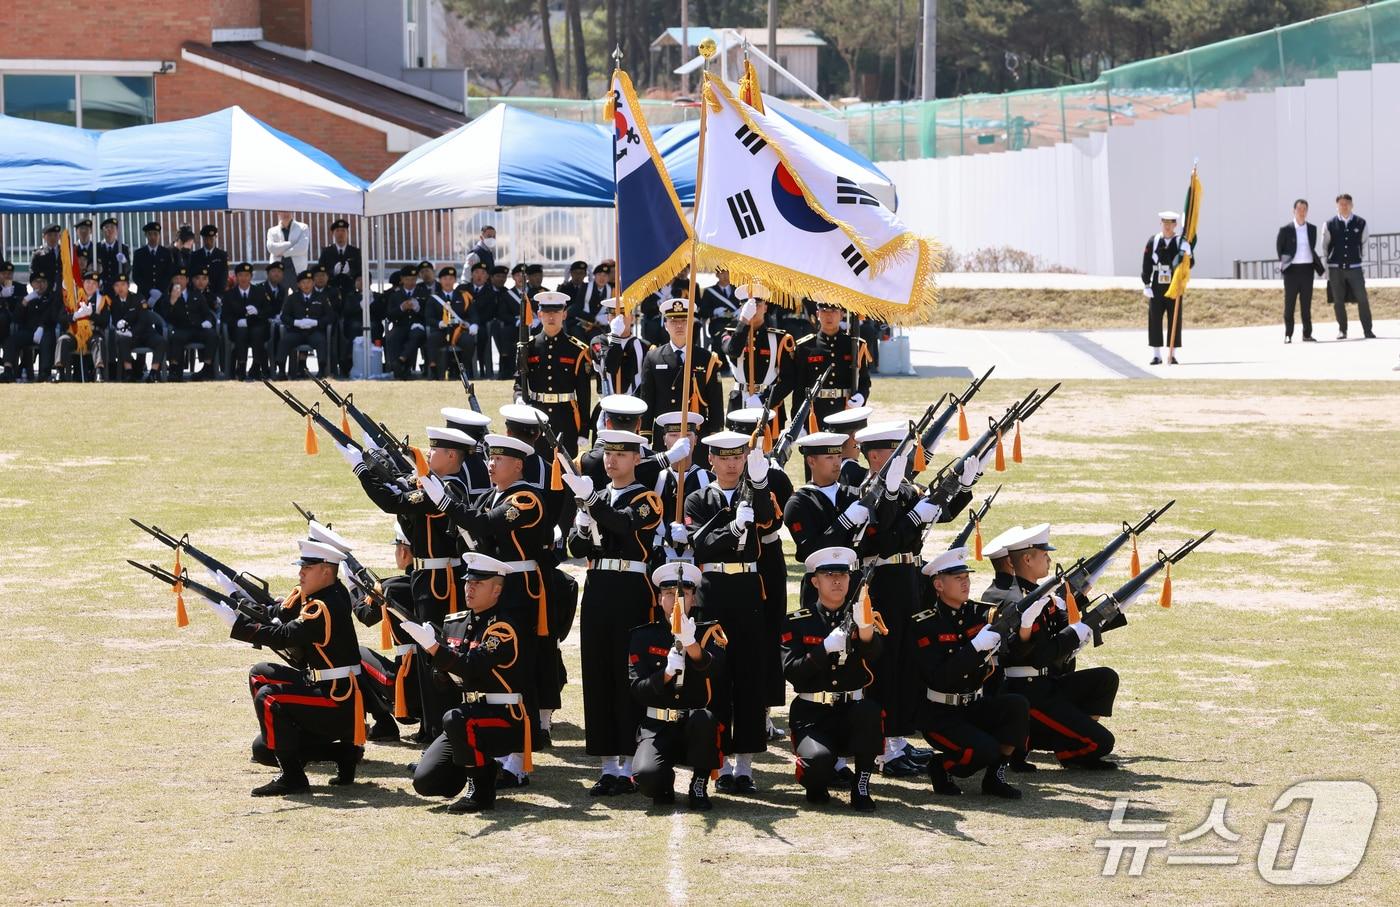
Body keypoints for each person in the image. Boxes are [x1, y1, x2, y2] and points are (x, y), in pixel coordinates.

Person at [419, 432, 554, 789]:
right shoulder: (496, 494)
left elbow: (485, 524)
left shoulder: (525, 498)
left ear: (519, 465)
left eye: (499, 460)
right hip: (497, 586)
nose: (490, 465)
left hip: (517, 591)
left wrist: (445, 501)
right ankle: (493, 747)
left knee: (518, 671)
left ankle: (517, 759)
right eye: (490, 459)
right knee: (489, 665)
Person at [339, 427, 474, 741]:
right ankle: (431, 729)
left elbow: (393, 502)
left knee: (435, 655)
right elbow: (406, 513)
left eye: (435, 450)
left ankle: (441, 733)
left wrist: (361, 469)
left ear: (452, 456)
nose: (428, 454)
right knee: (429, 657)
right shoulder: (437, 484)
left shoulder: (447, 488)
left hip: (440, 582)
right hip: (427, 576)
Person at [217, 536, 366, 797]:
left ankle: (293, 777)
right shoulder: (329, 592)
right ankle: (342, 753)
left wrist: (237, 625)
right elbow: (277, 612)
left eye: (306, 568)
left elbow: (283, 635)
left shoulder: (321, 607)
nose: (300, 574)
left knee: (269, 701)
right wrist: (236, 598)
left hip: (336, 700)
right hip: (331, 688)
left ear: (326, 570)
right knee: (260, 675)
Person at [561, 429, 663, 795]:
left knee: (627, 672)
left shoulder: (647, 498)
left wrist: (592, 502)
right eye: (607, 452)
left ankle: (631, 761)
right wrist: (582, 522)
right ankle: (608, 765)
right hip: (598, 586)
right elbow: (573, 547)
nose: (612, 460)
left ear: (637, 459)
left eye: (622, 453)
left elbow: (624, 523)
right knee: (598, 669)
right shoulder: (598, 496)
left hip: (630, 589)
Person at [401, 553, 532, 813]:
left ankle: (481, 792)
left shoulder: (502, 629)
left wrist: (433, 648)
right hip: (470, 717)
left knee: (455, 718)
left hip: (503, 717)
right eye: (468, 582)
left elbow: (472, 667)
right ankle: (477, 770)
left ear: (496, 590)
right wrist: (435, 660)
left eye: (478, 584)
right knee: (427, 783)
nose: (469, 587)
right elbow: (445, 681)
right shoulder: (457, 623)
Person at [684, 431, 775, 793]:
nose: (731, 463)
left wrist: (761, 480)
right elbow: (700, 543)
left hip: (748, 588)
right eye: (724, 458)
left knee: (749, 676)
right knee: (715, 675)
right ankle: (718, 763)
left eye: (737, 457)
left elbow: (769, 521)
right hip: (713, 590)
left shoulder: (752, 490)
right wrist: (732, 528)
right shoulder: (698, 498)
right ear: (711, 461)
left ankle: (746, 765)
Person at [992, 523, 1119, 770]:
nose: (1049, 559)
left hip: (1048, 683)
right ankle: (1066, 750)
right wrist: (1076, 633)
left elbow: (1062, 635)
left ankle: (1068, 735)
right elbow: (1041, 655)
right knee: (1102, 743)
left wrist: (1095, 616)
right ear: (1027, 559)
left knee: (1104, 678)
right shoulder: (1015, 602)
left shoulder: (1046, 596)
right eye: (1044, 555)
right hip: (1027, 691)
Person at [911, 547, 1028, 799]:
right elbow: (939, 677)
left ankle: (995, 777)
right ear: (939, 585)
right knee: (985, 750)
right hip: (940, 713)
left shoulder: (980, 613)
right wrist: (974, 648)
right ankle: (941, 766)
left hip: (973, 705)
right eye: (957, 578)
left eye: (966, 577)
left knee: (1016, 706)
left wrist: (1025, 620)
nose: (965, 582)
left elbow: (1010, 646)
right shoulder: (924, 624)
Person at [783, 546, 884, 811]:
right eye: (829, 575)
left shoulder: (863, 617)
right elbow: (792, 671)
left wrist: (864, 631)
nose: (837, 580)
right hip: (812, 713)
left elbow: (876, 657)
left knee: (870, 711)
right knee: (818, 764)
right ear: (815, 581)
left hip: (851, 710)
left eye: (842, 574)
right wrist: (823, 649)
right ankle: (815, 782)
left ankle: (861, 785)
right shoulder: (797, 622)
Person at [629, 562, 728, 810]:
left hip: (694, 724)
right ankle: (663, 781)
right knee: (647, 780)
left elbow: (716, 671)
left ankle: (699, 781)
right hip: (658, 724)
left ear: (694, 598)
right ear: (660, 597)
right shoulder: (643, 636)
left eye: (684, 594)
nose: (676, 600)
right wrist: (666, 673)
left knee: (705, 719)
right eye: (670, 593)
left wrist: (691, 643)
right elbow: (637, 689)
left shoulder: (709, 632)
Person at [347, 524, 418, 740]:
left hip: (406, 684)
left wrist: (352, 587)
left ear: (404, 551)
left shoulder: (393, 587)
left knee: (354, 655)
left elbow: (365, 615)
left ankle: (384, 723)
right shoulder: (430, 582)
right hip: (431, 682)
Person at [513, 290, 593, 457]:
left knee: (565, 469)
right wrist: (519, 397)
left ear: (564, 314)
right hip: (536, 415)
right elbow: (519, 383)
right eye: (547, 312)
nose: (551, 317)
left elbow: (584, 394)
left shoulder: (577, 349)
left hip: (565, 417)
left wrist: (584, 429)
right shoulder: (528, 347)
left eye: (556, 312)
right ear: (539, 314)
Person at [636, 297, 726, 439]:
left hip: (696, 434)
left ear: (691, 324)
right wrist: (645, 434)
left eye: (684, 321)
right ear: (665, 325)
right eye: (673, 321)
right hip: (665, 434)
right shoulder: (653, 357)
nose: (679, 326)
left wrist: (715, 434)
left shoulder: (707, 358)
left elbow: (715, 402)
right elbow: (648, 399)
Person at [787, 301, 872, 427]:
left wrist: (861, 396)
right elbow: (799, 389)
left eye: (834, 311)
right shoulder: (806, 347)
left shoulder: (854, 345)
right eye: (824, 311)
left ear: (842, 315)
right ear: (817, 314)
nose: (829, 316)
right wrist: (798, 424)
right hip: (816, 414)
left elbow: (864, 381)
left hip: (846, 412)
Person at [723, 283, 795, 419]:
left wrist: (764, 400)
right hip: (739, 404)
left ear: (766, 307)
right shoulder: (730, 334)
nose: (754, 309)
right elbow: (733, 351)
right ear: (742, 308)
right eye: (749, 305)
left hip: (770, 406)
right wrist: (743, 321)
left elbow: (788, 380)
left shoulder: (779, 339)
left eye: (758, 304)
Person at [1141, 210, 1191, 365]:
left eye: (1171, 223)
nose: (1168, 226)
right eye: (1165, 223)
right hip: (1157, 283)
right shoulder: (1154, 241)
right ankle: (1156, 355)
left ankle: (1172, 354)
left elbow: (1190, 264)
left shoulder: (1180, 242)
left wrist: (1188, 253)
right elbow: (1147, 263)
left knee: (1174, 319)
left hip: (1174, 283)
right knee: (1154, 318)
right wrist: (1147, 284)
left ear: (1175, 225)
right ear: (1161, 223)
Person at [1323, 193, 1375, 340]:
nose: (1344, 206)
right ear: (1337, 206)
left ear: (1352, 205)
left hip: (1355, 267)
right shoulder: (1329, 224)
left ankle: (1367, 330)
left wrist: (1359, 258)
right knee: (1338, 300)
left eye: (1346, 203)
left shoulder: (1361, 223)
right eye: (1341, 204)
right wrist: (1328, 262)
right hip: (1335, 267)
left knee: (1362, 298)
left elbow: (1365, 242)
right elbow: (1324, 245)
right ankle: (1342, 330)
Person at [1276, 199, 1325, 344]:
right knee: (1289, 304)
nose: (1302, 212)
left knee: (1306, 305)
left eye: (1304, 209)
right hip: (1292, 271)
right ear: (1294, 211)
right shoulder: (1285, 230)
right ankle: (1288, 334)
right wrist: (1286, 264)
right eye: (1299, 209)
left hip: (1307, 270)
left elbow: (1311, 247)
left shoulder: (1312, 229)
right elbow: (1280, 250)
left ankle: (1307, 334)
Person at [108, 272, 167, 383]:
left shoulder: (138, 298)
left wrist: (132, 332)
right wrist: (120, 326)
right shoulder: (113, 302)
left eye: (123, 285)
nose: (120, 288)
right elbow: (115, 320)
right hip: (128, 336)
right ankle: (129, 373)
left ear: (128, 286)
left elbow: (144, 319)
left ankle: (154, 373)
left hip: (145, 332)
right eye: (117, 285)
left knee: (161, 341)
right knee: (122, 341)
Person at [161, 266, 218, 381]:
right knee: (176, 337)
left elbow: (207, 313)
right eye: (176, 278)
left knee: (212, 335)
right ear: (172, 281)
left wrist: (207, 321)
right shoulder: (167, 297)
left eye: (182, 278)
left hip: (198, 328)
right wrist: (172, 301)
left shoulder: (196, 294)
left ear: (187, 280)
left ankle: (207, 368)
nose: (179, 281)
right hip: (181, 327)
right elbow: (165, 316)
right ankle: (175, 369)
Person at [422, 266, 477, 381]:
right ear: (440, 280)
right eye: (445, 278)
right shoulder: (434, 298)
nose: (448, 281)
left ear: (455, 280)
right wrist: (439, 323)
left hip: (459, 330)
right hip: (441, 331)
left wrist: (473, 324)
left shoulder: (463, 296)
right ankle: (433, 369)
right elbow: (428, 318)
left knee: (469, 341)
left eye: (451, 278)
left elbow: (473, 313)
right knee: (432, 339)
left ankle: (465, 369)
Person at [53, 270, 110, 380]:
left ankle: (99, 372)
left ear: (98, 286)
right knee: (62, 340)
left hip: (92, 333)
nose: (90, 286)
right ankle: (59, 371)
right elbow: (61, 318)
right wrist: (74, 316)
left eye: (94, 283)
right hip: (74, 333)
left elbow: (105, 321)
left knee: (99, 341)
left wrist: (92, 315)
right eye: (88, 282)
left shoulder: (102, 300)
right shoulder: (72, 298)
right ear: (83, 283)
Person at [276, 269, 332, 379]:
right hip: (297, 331)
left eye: (309, 282)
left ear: (313, 283)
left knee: (321, 341)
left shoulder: (322, 297)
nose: (306, 285)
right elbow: (284, 316)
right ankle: (281, 371)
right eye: (303, 283)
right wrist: (296, 322)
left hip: (314, 331)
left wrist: (316, 322)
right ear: (298, 284)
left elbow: (330, 316)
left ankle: (321, 370)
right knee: (285, 341)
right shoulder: (293, 298)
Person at [600, 299, 650, 398]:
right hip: (608, 403)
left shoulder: (645, 346)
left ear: (631, 318)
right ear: (608, 318)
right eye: (614, 315)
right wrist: (616, 336)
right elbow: (611, 367)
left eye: (623, 315)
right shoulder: (600, 342)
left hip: (634, 403)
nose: (619, 319)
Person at [317, 219, 362, 303]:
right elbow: (321, 270)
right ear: (333, 233)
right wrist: (333, 272)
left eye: (343, 231)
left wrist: (350, 272)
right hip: (331, 289)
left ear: (347, 233)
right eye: (337, 231)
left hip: (350, 290)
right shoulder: (326, 252)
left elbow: (360, 270)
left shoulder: (355, 251)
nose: (340, 233)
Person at [131, 222, 174, 305]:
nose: (153, 237)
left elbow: (169, 274)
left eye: (155, 234)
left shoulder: (166, 253)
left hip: (162, 295)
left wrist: (160, 291)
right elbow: (136, 276)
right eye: (150, 234)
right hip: (144, 295)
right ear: (146, 236)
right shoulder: (139, 253)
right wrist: (149, 290)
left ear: (159, 235)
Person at [266, 211, 311, 288]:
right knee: (279, 297)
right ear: (278, 213)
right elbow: (271, 248)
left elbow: (302, 248)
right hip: (278, 270)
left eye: (288, 211)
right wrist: (292, 243)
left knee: (298, 297)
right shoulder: (272, 231)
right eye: (282, 211)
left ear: (292, 212)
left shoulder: (303, 227)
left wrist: (283, 253)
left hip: (297, 270)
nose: (285, 214)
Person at [189, 225, 229, 297]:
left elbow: (224, 276)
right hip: (199, 294)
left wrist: (219, 295)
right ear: (203, 239)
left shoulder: (222, 255)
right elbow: (192, 275)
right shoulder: (195, 255)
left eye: (211, 239)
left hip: (217, 293)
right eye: (206, 239)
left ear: (215, 238)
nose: (208, 241)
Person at [95, 218, 130, 295]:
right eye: (106, 227)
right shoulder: (96, 248)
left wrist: (124, 262)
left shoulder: (123, 248)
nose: (109, 230)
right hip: (101, 288)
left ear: (117, 231)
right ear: (102, 231)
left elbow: (128, 270)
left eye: (112, 227)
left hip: (117, 290)